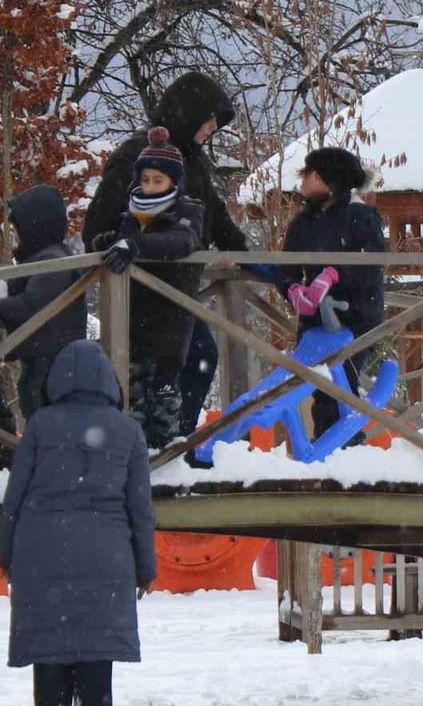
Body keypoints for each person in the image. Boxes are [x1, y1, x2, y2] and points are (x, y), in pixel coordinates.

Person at [0, 339, 156, 706]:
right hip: (108, 561)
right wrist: (146, 567)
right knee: (96, 676)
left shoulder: (40, 426)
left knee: (49, 673)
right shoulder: (127, 431)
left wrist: (6, 555)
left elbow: (14, 498)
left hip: (42, 561)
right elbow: (140, 509)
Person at [83, 72, 246, 437]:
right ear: (189, 115)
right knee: (145, 374)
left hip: (180, 290)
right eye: (207, 124)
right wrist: (114, 245)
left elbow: (215, 215)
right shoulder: (137, 155)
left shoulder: (194, 161)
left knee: (197, 358)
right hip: (138, 289)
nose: (209, 132)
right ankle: (150, 448)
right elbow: (98, 223)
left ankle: (175, 439)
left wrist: (245, 254)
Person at [92, 127, 204, 448]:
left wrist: (137, 246)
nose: (151, 186)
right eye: (146, 180)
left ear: (174, 182)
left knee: (165, 396)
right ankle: (137, 457)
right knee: (131, 395)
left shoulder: (188, 211)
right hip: (134, 316)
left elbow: (181, 241)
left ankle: (167, 456)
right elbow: (119, 241)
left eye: (159, 180)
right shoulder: (130, 214)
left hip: (170, 317)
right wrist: (109, 243)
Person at [276, 147, 386, 438]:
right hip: (315, 319)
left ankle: (343, 447)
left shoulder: (362, 217)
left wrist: (336, 273)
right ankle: (329, 445)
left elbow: (371, 265)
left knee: (341, 384)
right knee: (319, 385)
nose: (303, 181)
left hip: (356, 316)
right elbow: (285, 265)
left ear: (331, 179)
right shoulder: (303, 222)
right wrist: (292, 288)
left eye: (310, 174)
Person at [0, 185, 86, 419]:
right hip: (43, 353)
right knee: (34, 404)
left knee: (41, 410)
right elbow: (22, 288)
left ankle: (45, 451)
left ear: (35, 228)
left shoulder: (53, 262)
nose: (13, 237)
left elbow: (34, 303)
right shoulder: (43, 258)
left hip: (52, 357)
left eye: (16, 230)